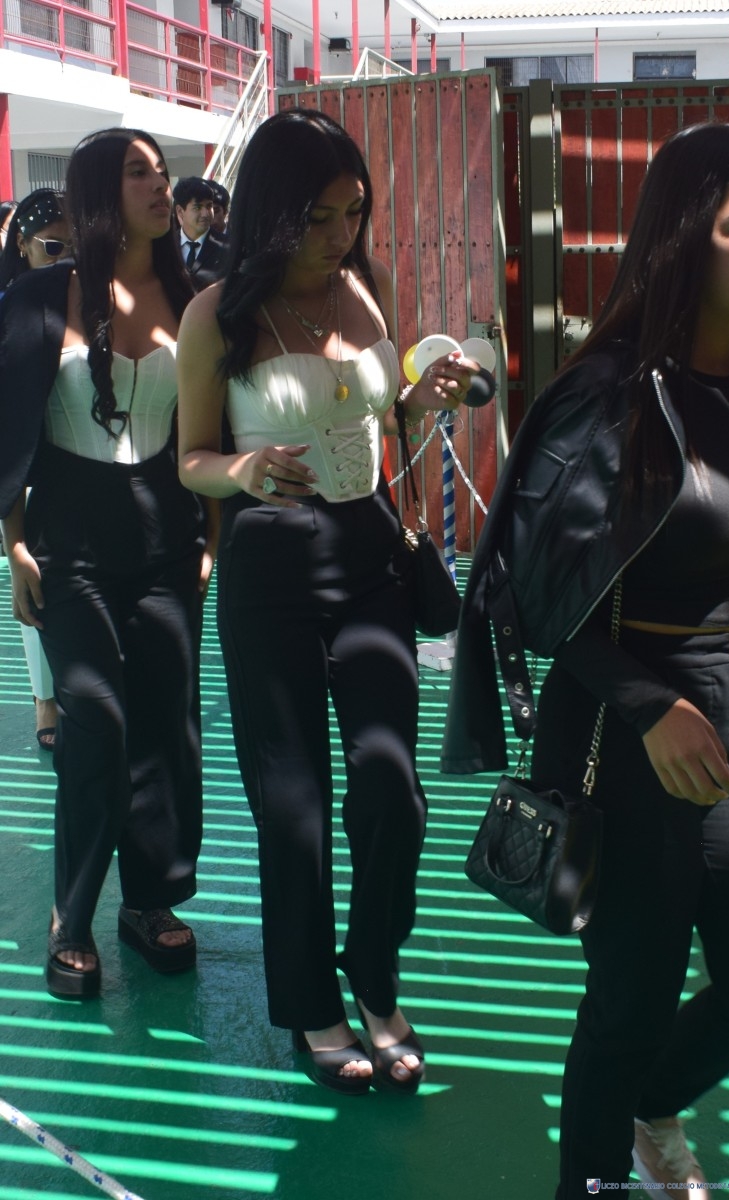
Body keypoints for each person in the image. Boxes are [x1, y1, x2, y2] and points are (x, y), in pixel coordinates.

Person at [443, 122, 729, 1198]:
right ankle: (591, 1179)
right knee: (631, 994)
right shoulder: (608, 395)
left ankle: (652, 1104)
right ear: (686, 237)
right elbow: (525, 591)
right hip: (621, 721)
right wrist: (648, 701)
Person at [177, 107, 477, 1095]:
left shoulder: (365, 285)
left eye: (354, 211)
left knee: (392, 789)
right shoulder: (216, 314)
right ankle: (312, 1004)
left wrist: (421, 394)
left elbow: (379, 408)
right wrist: (242, 469)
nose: (341, 232)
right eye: (318, 216)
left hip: (369, 548)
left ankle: (374, 972)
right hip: (268, 562)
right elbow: (190, 459)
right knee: (293, 806)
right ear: (273, 211)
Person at [0, 128, 209, 1000]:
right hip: (69, 543)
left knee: (167, 719)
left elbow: (218, 421)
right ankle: (74, 913)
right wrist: (14, 544)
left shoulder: (196, 297)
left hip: (169, 541)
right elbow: (6, 423)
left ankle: (150, 900)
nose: (161, 185)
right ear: (98, 191)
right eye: (138, 173)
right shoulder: (38, 296)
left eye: (162, 171)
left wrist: (212, 538)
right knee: (96, 719)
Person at [0, 188, 70, 751]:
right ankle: (44, 697)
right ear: (21, 246)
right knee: (29, 576)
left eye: (74, 247)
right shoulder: (12, 303)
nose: (64, 258)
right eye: (52, 247)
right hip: (23, 458)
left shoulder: (90, 300)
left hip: (74, 459)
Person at [173, 176, 228, 289]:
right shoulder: (166, 246)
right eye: (197, 207)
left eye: (209, 206)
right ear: (180, 211)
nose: (205, 214)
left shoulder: (228, 247)